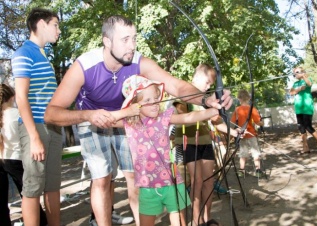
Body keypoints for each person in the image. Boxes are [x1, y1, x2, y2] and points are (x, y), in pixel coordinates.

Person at [44, 15, 233, 226]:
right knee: (102, 179)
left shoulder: (138, 61)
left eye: (134, 38)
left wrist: (207, 99)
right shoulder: (84, 66)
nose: (132, 45)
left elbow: (175, 86)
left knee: (134, 177)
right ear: (107, 41)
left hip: (130, 117)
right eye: (125, 39)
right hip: (90, 118)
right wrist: (87, 115)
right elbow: (51, 113)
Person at [111, 75, 223, 225]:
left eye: (156, 98)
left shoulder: (163, 118)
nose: (155, 103)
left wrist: (214, 111)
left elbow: (189, 117)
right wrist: (127, 111)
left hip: (172, 182)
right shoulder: (129, 124)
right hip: (147, 186)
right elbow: (107, 120)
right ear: (134, 104)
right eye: (148, 100)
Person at [11, 8, 62, 226]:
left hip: (53, 126)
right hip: (36, 128)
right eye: (56, 25)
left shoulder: (43, 55)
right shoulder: (23, 53)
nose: (59, 31)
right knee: (32, 188)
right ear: (41, 24)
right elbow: (21, 98)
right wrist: (34, 137)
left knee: (52, 186)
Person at [174, 64, 239, 226]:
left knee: (209, 181)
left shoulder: (207, 100)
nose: (208, 87)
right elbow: (183, 114)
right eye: (207, 83)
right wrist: (206, 111)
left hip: (205, 143)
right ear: (197, 77)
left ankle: (206, 218)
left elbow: (217, 122)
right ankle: (195, 221)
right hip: (189, 142)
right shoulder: (184, 92)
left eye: (211, 84)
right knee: (197, 181)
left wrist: (236, 132)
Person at [0, 84, 48, 226]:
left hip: (2, 157)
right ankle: (41, 222)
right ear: (13, 97)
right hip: (16, 159)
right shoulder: (17, 113)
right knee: (29, 195)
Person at [289, 66, 317, 154]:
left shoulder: (308, 79)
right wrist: (299, 89)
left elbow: (309, 84)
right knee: (301, 127)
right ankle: (305, 147)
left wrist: (303, 76)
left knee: (308, 126)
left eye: (297, 72)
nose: (295, 74)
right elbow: (291, 93)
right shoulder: (295, 83)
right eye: (294, 73)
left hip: (307, 107)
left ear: (302, 72)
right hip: (298, 108)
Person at [231, 89, 265, 178]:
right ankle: (258, 170)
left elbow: (233, 122)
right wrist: (262, 123)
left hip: (241, 135)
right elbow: (258, 122)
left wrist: (238, 129)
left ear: (239, 98)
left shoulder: (237, 109)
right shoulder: (252, 109)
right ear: (248, 98)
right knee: (255, 152)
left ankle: (242, 171)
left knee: (243, 152)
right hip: (251, 134)